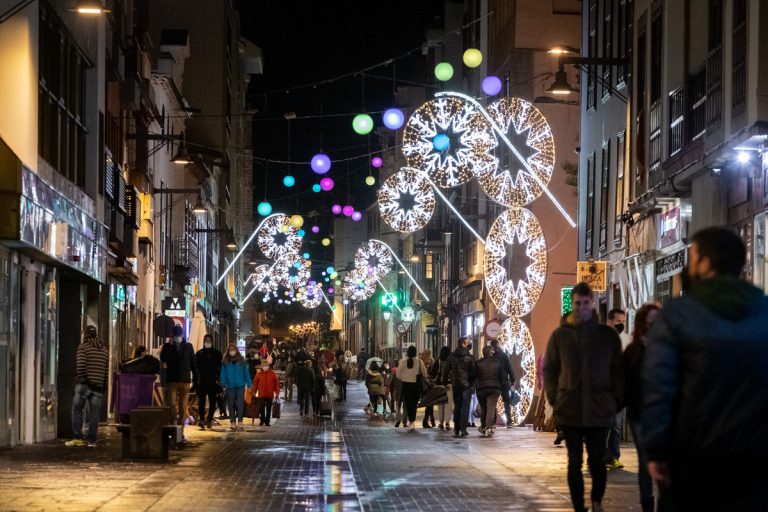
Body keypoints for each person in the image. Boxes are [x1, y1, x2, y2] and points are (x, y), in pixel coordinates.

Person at [643, 227, 768, 511]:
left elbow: (658, 388)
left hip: (693, 460)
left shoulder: (677, 316)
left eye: (692, 257)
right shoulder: (763, 313)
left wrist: (656, 451)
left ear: (706, 263)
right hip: (756, 462)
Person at [543, 282, 623, 512]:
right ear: (573, 304)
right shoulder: (559, 336)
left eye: (585, 303)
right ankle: (579, 507)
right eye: (577, 303)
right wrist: (554, 398)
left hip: (599, 408)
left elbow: (618, 369)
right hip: (570, 408)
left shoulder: (607, 336)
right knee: (574, 462)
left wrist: (615, 400)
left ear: (593, 304)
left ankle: (597, 500)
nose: (581, 308)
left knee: (597, 461)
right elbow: (550, 369)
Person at [622, 303, 660, 512]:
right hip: (639, 413)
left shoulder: (665, 346)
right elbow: (625, 382)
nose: (653, 325)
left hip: (661, 412)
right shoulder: (632, 351)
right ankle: (647, 503)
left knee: (662, 459)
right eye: (650, 321)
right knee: (645, 460)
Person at [65, 325, 109, 447]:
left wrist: (83, 380)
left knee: (77, 409)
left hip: (84, 385)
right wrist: (103, 386)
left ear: (85, 335)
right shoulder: (104, 350)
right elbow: (106, 371)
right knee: (95, 413)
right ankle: (92, 440)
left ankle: (78, 437)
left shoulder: (83, 348)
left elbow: (80, 366)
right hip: (98, 386)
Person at [160, 325, 198, 438]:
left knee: (182, 406)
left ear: (182, 335)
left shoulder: (188, 346)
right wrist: (170, 346)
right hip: (172, 380)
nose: (177, 337)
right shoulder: (167, 346)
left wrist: (196, 379)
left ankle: (180, 429)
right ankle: (173, 425)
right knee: (171, 404)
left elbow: (193, 363)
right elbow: (163, 358)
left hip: (185, 380)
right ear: (172, 336)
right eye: (175, 335)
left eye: (178, 335)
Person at [605, 308, 629, 470]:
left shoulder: (627, 340)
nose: (621, 325)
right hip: (604, 389)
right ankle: (598, 454)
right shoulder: (602, 339)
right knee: (603, 425)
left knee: (617, 425)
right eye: (618, 322)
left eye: (623, 322)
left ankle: (614, 456)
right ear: (610, 322)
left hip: (620, 389)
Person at [448, 336, 476, 438]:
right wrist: (471, 382)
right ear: (463, 344)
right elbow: (473, 372)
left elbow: (446, 370)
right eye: (468, 342)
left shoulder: (452, 356)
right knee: (465, 407)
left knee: (457, 406)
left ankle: (456, 428)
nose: (469, 344)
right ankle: (463, 428)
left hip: (456, 385)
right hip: (467, 386)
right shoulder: (470, 357)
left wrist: (446, 381)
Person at [219, 344, 252, 431]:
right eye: (230, 349)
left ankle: (240, 421)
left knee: (240, 404)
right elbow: (223, 373)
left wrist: (249, 384)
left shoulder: (242, 361)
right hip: (230, 386)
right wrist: (223, 382)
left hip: (240, 386)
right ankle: (232, 422)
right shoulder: (225, 361)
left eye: (233, 349)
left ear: (236, 350)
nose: (232, 351)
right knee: (230, 404)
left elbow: (246, 373)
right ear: (228, 351)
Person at [396, 345, 428, 431]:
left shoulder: (403, 362)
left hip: (406, 386)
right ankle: (412, 421)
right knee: (414, 404)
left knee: (408, 404)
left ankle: (411, 422)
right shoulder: (420, 362)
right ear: (415, 353)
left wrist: (404, 377)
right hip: (416, 386)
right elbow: (425, 374)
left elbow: (398, 374)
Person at [475, 345, 504, 437]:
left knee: (484, 408)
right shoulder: (497, 362)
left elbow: (473, 375)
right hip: (494, 388)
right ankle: (489, 427)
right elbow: (502, 376)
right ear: (491, 353)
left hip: (481, 388)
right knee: (491, 407)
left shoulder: (478, 363)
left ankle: (483, 426)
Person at [195, 334, 222, 429]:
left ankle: (209, 419)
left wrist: (219, 380)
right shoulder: (199, 353)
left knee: (213, 402)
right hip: (202, 381)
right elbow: (196, 368)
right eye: (206, 340)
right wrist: (196, 380)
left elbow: (220, 368)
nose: (207, 341)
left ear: (212, 341)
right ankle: (201, 419)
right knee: (201, 402)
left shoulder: (217, 353)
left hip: (213, 381)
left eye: (209, 340)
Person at [489, 339, 515, 428]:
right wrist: (512, 380)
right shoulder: (504, 355)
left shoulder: (491, 356)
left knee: (494, 402)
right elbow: (509, 368)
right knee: (506, 402)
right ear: (499, 345)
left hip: (495, 382)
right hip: (504, 382)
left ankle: (492, 422)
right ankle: (509, 421)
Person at [253, 360, 280, 426]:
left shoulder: (272, 374)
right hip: (261, 394)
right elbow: (255, 384)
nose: (265, 367)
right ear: (262, 366)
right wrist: (254, 392)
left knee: (269, 409)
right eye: (264, 365)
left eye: (266, 365)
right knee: (261, 408)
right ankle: (262, 420)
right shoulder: (258, 374)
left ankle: (267, 421)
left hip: (269, 394)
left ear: (269, 366)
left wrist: (277, 393)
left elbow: (276, 384)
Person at [433, 346, 453, 431]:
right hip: (449, 384)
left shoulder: (438, 361)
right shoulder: (452, 361)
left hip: (439, 384)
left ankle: (441, 423)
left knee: (440, 405)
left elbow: (433, 372)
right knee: (448, 405)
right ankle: (447, 423)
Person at [419, 350, 435, 428]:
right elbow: (432, 373)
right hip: (428, 384)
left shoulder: (420, 361)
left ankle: (431, 419)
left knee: (429, 403)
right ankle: (426, 420)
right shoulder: (431, 361)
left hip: (421, 385)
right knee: (430, 403)